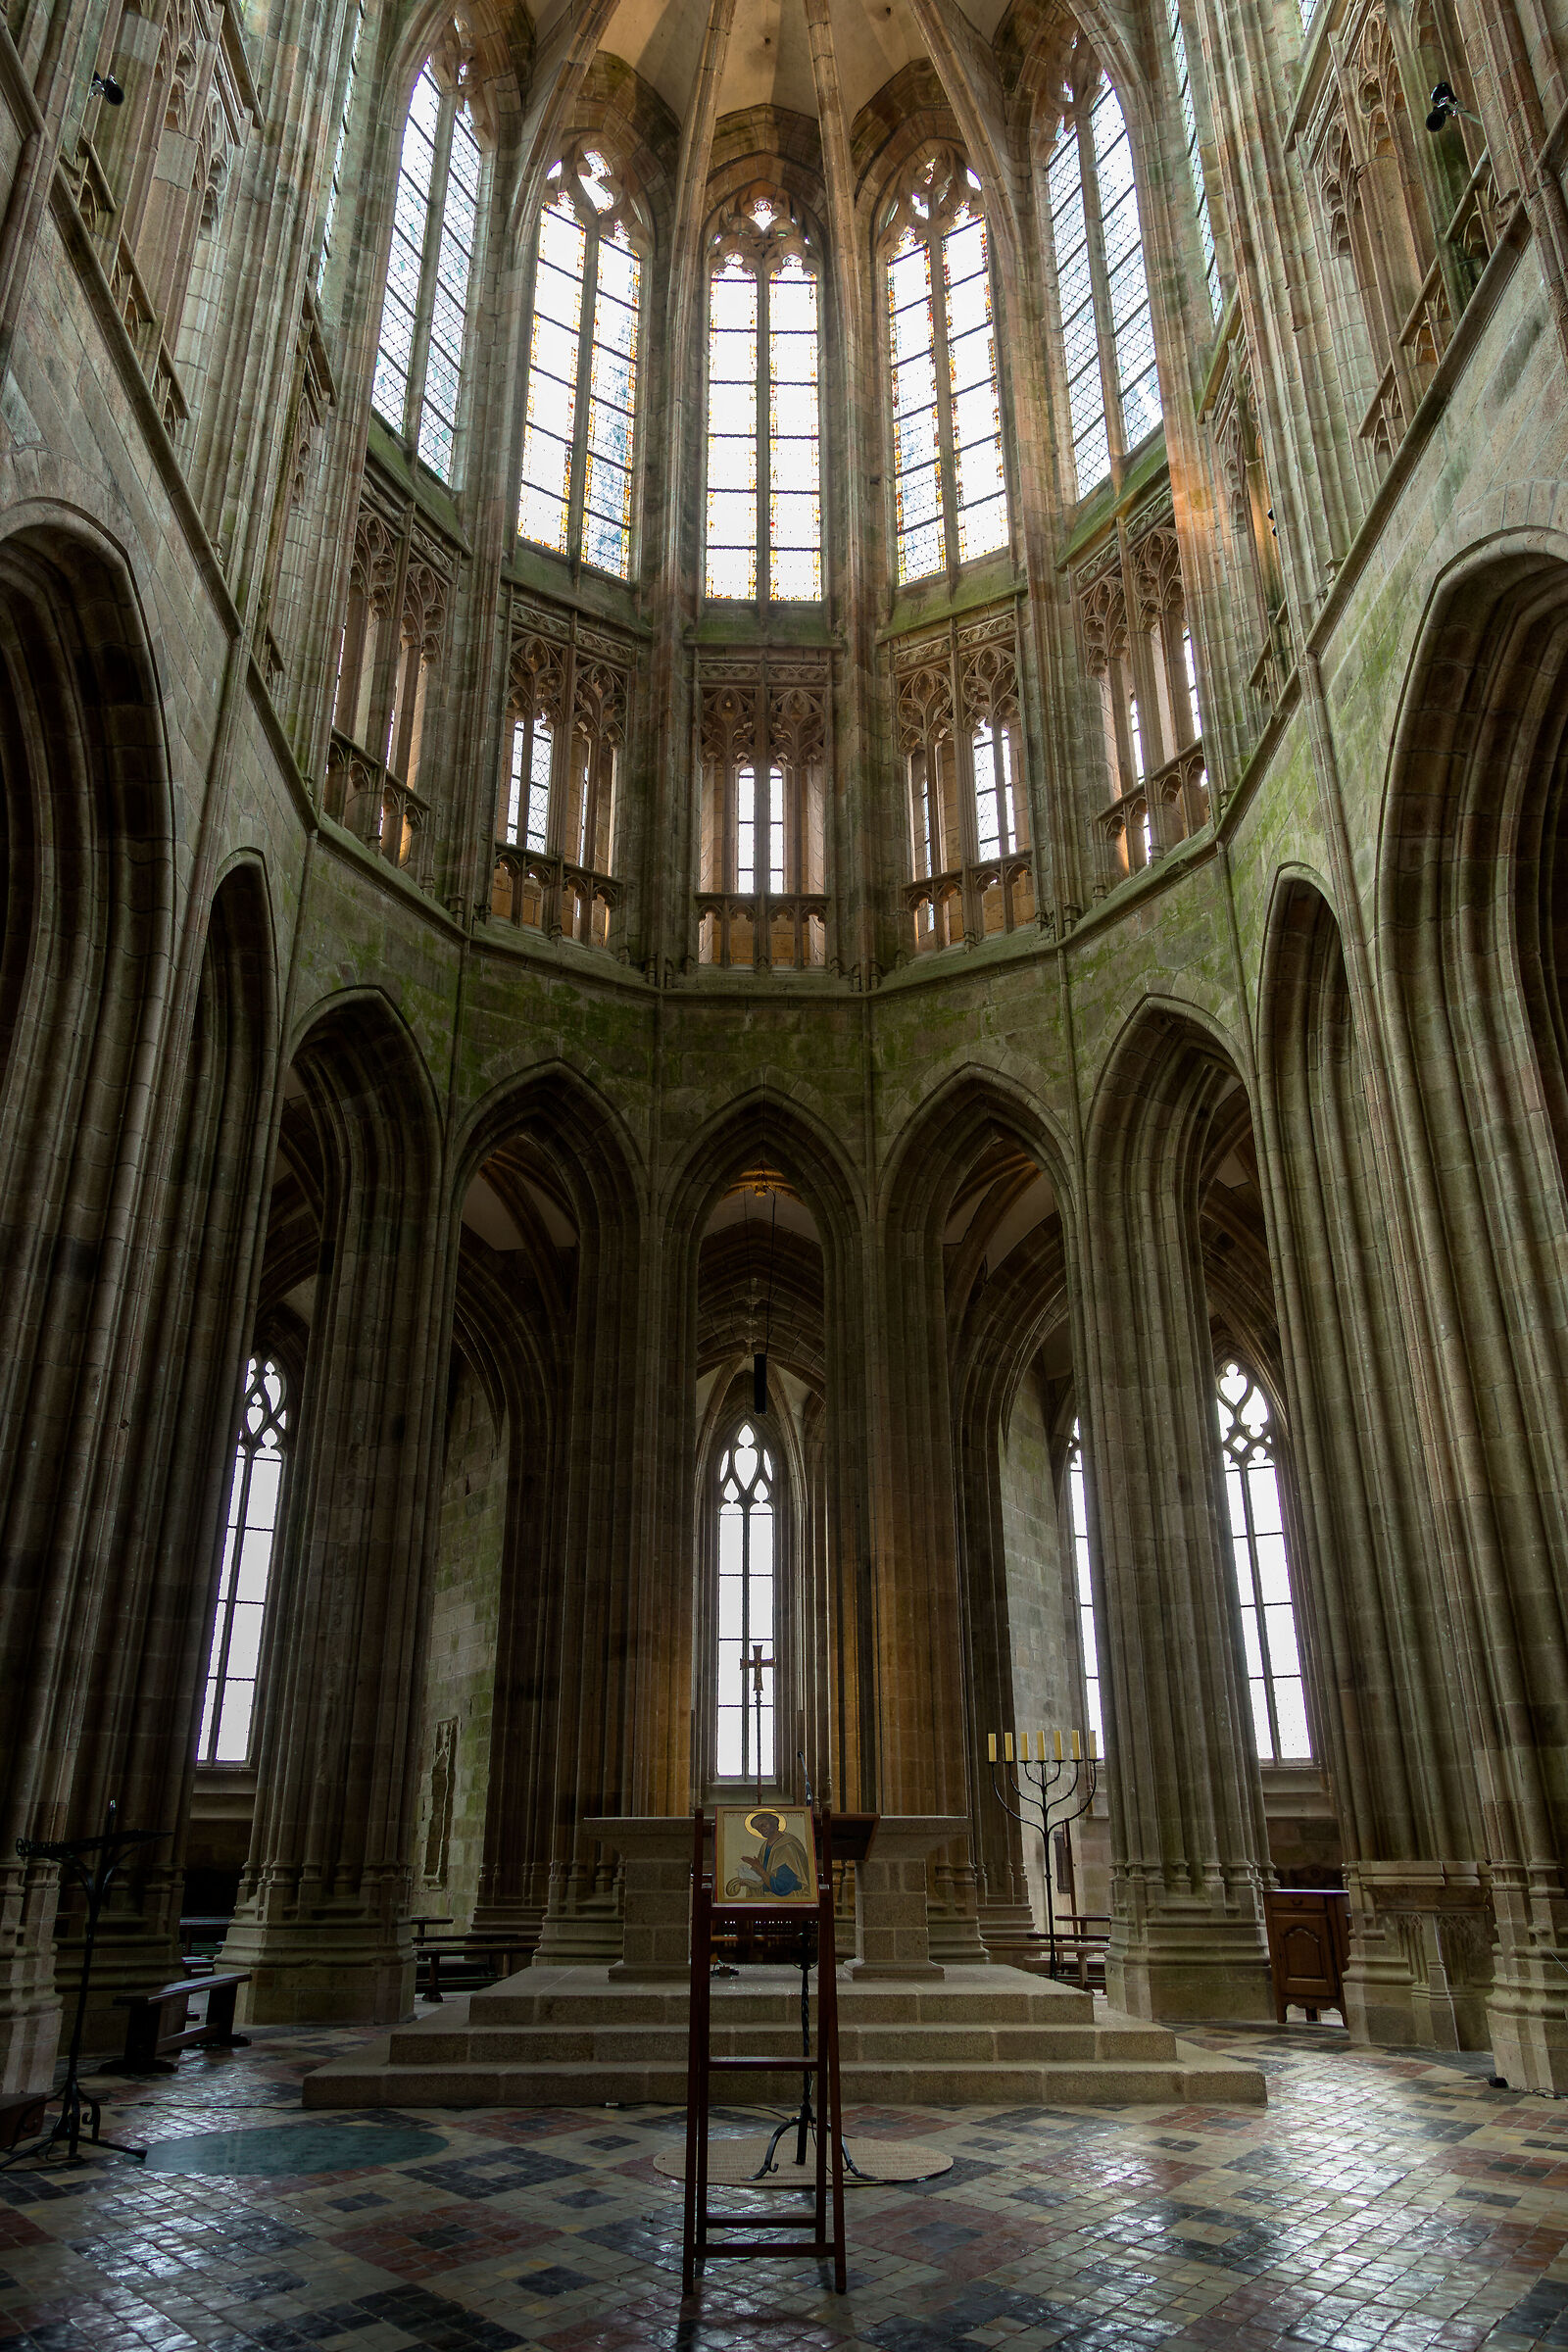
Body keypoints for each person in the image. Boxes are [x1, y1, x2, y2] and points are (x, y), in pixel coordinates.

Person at [731, 1810, 812, 1899]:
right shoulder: (765, 1846)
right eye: (758, 1828)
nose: (761, 1829)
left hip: (787, 1900)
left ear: (773, 1823)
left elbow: (782, 1887)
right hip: (768, 1898)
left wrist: (758, 1867)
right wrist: (748, 1879)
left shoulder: (787, 1846)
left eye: (763, 1825)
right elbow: (763, 1874)